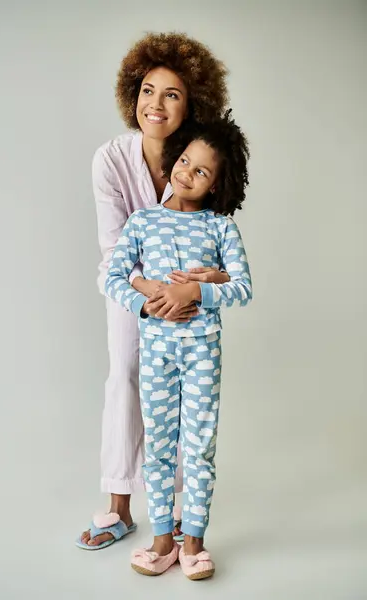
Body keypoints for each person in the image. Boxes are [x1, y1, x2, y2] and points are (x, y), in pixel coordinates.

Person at [77, 32, 231, 550]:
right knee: (123, 374)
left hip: (189, 306)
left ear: (191, 104)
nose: (155, 104)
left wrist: (193, 291)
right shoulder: (110, 160)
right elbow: (113, 255)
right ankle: (119, 509)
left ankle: (179, 524)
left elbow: (219, 252)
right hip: (134, 292)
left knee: (188, 404)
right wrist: (150, 296)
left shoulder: (199, 161)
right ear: (132, 94)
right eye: (147, 90)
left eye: (171, 93)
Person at [104, 110, 252, 579]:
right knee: (161, 446)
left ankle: (194, 542)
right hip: (158, 353)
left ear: (217, 184)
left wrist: (197, 291)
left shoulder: (220, 227)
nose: (187, 173)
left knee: (199, 444)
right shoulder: (143, 222)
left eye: (202, 170)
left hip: (203, 350)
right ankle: (162, 538)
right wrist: (146, 303)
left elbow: (243, 288)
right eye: (185, 160)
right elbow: (111, 278)